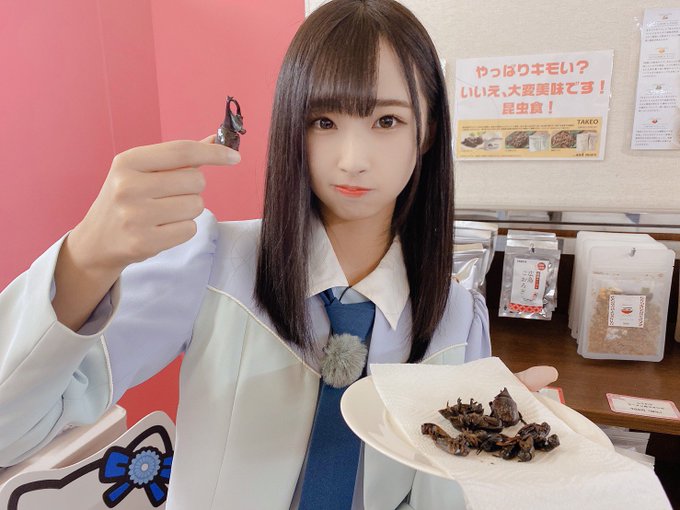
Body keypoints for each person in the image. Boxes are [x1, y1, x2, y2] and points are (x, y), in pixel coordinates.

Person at [0, 0, 556, 508]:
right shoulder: (209, 265)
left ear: (427, 131)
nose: (353, 159)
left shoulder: (456, 319)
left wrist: (492, 457)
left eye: (387, 121)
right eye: (324, 121)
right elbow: (10, 431)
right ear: (293, 126)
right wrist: (85, 262)